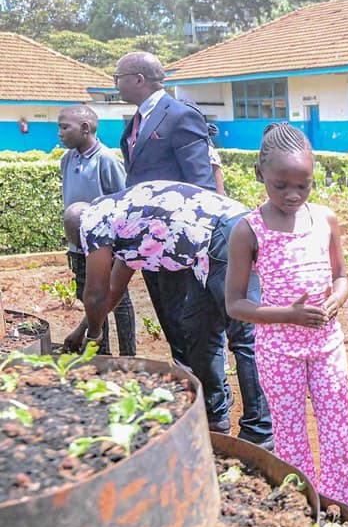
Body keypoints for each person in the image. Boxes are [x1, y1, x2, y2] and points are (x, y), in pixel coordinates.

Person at [62, 181, 273, 449]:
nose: (89, 252)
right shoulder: (122, 219)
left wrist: (94, 335)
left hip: (226, 235)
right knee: (197, 331)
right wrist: (82, 328)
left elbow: (95, 294)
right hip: (205, 249)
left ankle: (260, 433)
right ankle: (214, 415)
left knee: (244, 336)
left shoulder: (92, 221)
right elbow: (114, 289)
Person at [225, 123, 348, 515]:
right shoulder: (247, 230)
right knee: (289, 437)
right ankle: (303, 511)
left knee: (337, 431)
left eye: (303, 185)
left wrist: (336, 299)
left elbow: (341, 275)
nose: (292, 195)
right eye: (280, 185)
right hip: (278, 352)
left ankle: (346, 513)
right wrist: (288, 315)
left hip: (326, 345)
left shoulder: (325, 220)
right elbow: (235, 304)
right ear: (260, 175)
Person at [114, 52, 216, 370]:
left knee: (186, 319)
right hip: (147, 241)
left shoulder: (179, 116)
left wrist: (195, 240)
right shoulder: (136, 121)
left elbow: (202, 184)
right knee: (168, 317)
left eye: (118, 77)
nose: (115, 83)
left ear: (139, 80)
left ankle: (210, 396)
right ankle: (187, 378)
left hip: (177, 241)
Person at [58, 104, 136, 356]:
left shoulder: (106, 160)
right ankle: (101, 355)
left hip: (105, 248)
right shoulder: (67, 159)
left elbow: (123, 202)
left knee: (116, 300)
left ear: (85, 128)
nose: (59, 133)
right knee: (88, 298)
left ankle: (128, 355)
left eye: (64, 127)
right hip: (78, 245)